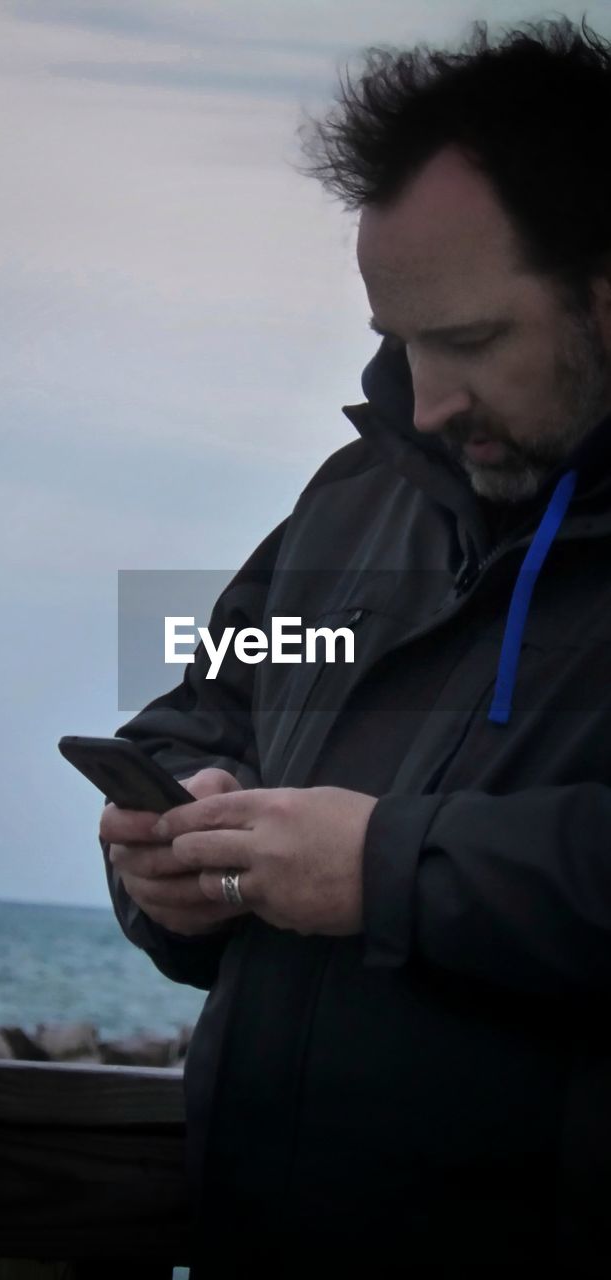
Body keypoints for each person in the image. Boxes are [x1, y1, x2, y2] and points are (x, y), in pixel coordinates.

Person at [100, 17, 611, 1277]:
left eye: (473, 340)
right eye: (401, 339)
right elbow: (204, 708)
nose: (428, 398)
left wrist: (386, 866)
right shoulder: (360, 491)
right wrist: (172, 860)